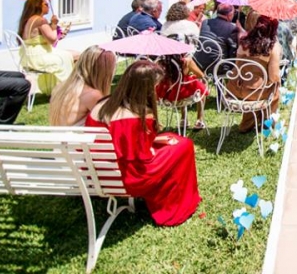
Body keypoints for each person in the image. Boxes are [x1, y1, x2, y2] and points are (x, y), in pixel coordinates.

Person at [86, 60, 200, 226]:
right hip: (127, 179)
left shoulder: (102, 105)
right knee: (184, 145)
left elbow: (120, 141)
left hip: (99, 173)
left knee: (172, 140)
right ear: (145, 88)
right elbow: (144, 158)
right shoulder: (135, 116)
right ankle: (177, 203)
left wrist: (155, 139)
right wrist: (155, 148)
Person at [230, 15, 282, 133]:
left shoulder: (243, 43)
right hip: (256, 93)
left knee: (256, 86)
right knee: (275, 86)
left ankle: (248, 123)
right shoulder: (272, 47)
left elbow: (237, 68)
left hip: (235, 90)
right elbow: (274, 77)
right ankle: (268, 120)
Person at [49, 46, 116, 126]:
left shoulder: (61, 86)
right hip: (79, 138)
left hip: (59, 136)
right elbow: (110, 123)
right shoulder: (92, 95)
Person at [18, 0, 75, 84]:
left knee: (70, 54)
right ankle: (67, 86)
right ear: (38, 6)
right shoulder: (40, 20)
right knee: (74, 56)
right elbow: (52, 40)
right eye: (45, 4)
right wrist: (54, 24)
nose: (48, 6)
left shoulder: (29, 19)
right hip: (38, 57)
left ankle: (59, 86)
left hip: (29, 56)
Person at [156, 52, 209, 130]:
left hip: (166, 99)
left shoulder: (160, 63)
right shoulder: (186, 62)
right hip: (183, 98)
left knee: (180, 88)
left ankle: (183, 119)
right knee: (199, 86)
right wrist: (190, 74)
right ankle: (199, 119)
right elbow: (201, 75)